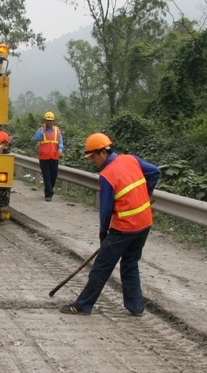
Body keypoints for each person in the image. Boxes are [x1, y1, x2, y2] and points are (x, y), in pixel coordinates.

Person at [60, 133, 161, 316]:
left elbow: (105, 210)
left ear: (102, 152)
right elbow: (155, 172)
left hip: (125, 227)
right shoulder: (130, 159)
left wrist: (103, 232)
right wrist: (145, 195)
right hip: (144, 222)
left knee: (102, 267)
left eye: (93, 157)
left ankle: (83, 305)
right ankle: (136, 307)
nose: (92, 161)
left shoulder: (107, 175)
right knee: (130, 264)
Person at [33, 112, 63, 201]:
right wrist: (43, 130)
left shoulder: (57, 130)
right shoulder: (41, 130)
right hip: (44, 158)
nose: (49, 122)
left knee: (53, 176)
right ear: (45, 121)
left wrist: (60, 150)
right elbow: (35, 138)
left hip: (54, 157)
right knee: (47, 176)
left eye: (51, 121)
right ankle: (48, 195)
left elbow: (60, 142)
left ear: (53, 121)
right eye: (47, 121)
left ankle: (49, 190)